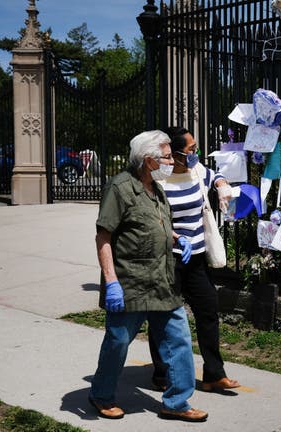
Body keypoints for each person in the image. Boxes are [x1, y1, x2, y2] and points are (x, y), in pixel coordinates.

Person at [88, 130, 207, 422]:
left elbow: (157, 225)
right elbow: (103, 236)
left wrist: (177, 238)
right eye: (166, 156)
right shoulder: (119, 188)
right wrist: (111, 281)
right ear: (147, 160)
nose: (171, 161)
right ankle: (101, 395)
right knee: (117, 342)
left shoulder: (157, 187)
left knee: (179, 339)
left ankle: (176, 403)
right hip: (130, 283)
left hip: (163, 280)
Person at [148, 126, 241, 393]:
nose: (195, 153)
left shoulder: (198, 171)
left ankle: (214, 373)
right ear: (174, 154)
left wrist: (222, 184)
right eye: (190, 150)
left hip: (196, 258)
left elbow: (216, 176)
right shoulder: (158, 180)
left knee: (208, 311)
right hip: (169, 259)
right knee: (164, 316)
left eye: (195, 148)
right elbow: (150, 217)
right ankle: (162, 373)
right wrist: (174, 236)